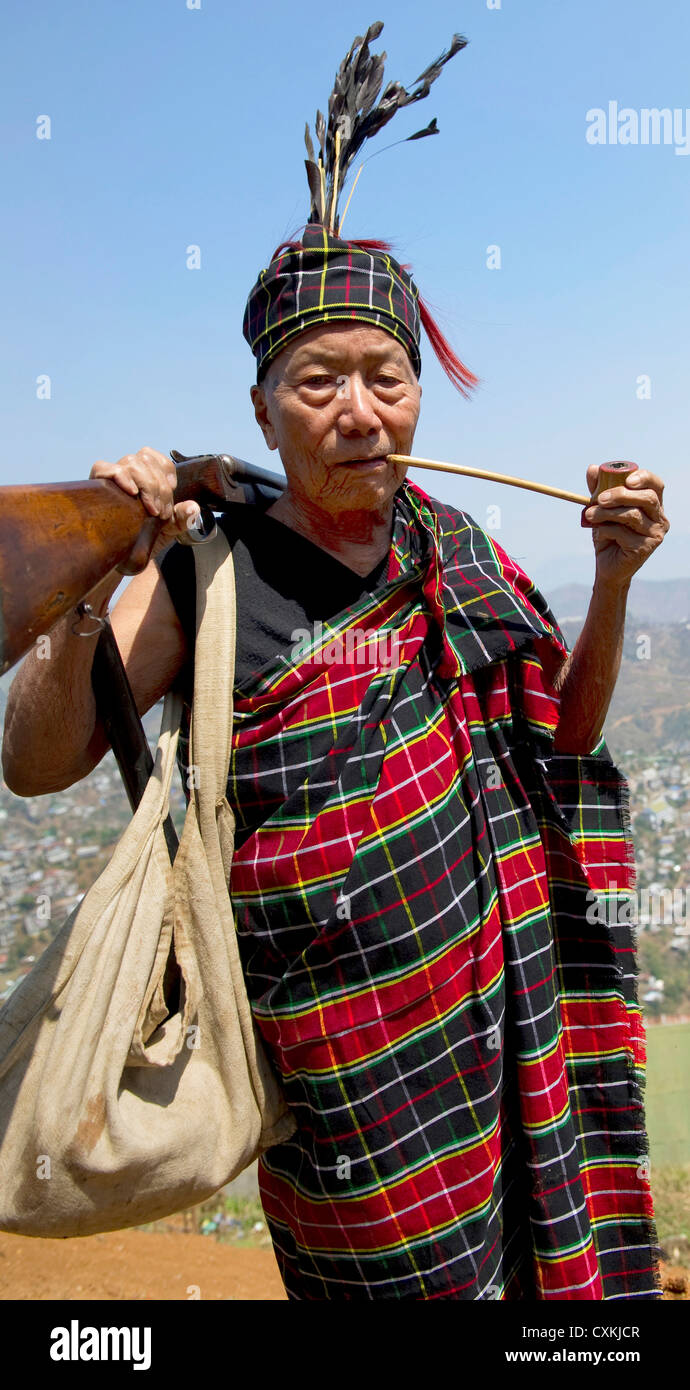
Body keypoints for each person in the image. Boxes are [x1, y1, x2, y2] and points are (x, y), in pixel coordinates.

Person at [1, 33, 670, 1302]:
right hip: (341, 1091)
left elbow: (565, 742)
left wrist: (620, 578)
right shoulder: (205, 573)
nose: (360, 410)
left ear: (420, 393)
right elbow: (35, 766)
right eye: (320, 381)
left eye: (388, 376)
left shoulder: (455, 545)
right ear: (262, 408)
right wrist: (92, 582)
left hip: (503, 1040)